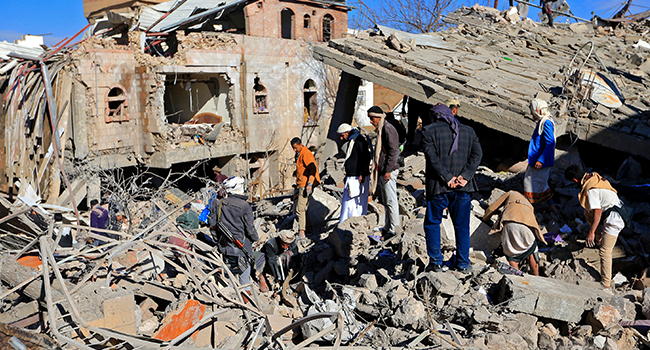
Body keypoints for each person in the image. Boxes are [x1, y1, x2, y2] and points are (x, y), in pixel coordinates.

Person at [422, 103, 482, 273]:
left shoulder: (428, 131)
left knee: (433, 223)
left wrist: (448, 178)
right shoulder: (468, 131)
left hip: (439, 187)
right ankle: (463, 263)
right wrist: (465, 176)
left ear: (435, 116)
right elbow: (477, 154)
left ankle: (436, 262)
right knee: (462, 226)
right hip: (463, 188)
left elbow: (432, 158)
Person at [565, 164, 628, 290]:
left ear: (575, 180)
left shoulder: (591, 190)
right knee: (587, 212)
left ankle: (605, 284)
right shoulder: (593, 176)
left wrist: (592, 232)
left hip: (614, 218)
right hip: (613, 210)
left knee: (605, 252)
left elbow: (598, 211)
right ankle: (599, 240)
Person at [208, 181, 261, 290]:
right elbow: (250, 228)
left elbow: (213, 226)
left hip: (225, 248)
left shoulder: (218, 203)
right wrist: (256, 239)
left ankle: (231, 297)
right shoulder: (244, 206)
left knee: (229, 277)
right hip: (242, 249)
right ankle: (245, 301)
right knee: (244, 278)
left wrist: (219, 242)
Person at [483, 191, 548, 275]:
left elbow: (492, 208)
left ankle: (518, 279)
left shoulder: (511, 193)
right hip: (527, 226)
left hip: (510, 225)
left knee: (512, 255)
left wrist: (485, 219)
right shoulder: (529, 205)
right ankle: (536, 277)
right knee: (531, 251)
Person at [368, 106, 401, 238]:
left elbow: (394, 151)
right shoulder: (382, 129)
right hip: (383, 170)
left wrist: (388, 170)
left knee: (391, 200)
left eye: (372, 119)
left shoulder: (388, 129)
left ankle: (394, 228)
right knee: (386, 200)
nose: (371, 122)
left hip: (389, 171)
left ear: (378, 117)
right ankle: (387, 226)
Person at [524, 99, 557, 212]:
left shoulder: (546, 122)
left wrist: (541, 159)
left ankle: (529, 209)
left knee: (529, 183)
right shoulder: (545, 119)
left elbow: (550, 143)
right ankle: (552, 207)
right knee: (542, 183)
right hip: (538, 159)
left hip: (541, 161)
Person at [337, 123, 371, 223]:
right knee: (348, 203)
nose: (341, 138)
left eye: (342, 135)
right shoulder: (353, 140)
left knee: (355, 203)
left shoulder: (359, 140)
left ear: (347, 132)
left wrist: (362, 173)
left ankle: (354, 222)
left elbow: (365, 157)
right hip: (352, 176)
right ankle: (346, 222)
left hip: (357, 177)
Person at [291, 137, 321, 240]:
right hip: (300, 183)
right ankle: (309, 228)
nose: (295, 150)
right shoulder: (300, 153)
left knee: (300, 209)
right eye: (293, 148)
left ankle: (302, 233)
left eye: (296, 148)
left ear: (300, 144)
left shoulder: (306, 153)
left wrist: (309, 183)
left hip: (304, 185)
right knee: (303, 208)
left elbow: (312, 169)